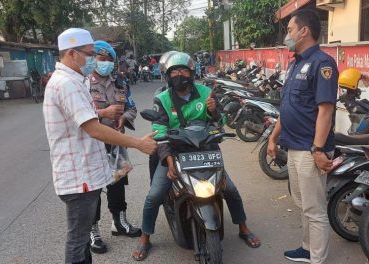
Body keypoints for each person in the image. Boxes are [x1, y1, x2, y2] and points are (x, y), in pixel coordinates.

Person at [132, 51, 261, 261]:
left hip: (205, 151)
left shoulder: (205, 92)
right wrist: (168, 160)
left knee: (231, 190)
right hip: (175, 153)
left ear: (192, 73)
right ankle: (145, 238)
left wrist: (214, 112)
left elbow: (218, 124)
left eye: (184, 70)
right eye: (175, 71)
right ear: (167, 75)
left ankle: (243, 228)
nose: (180, 74)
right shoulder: (163, 99)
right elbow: (160, 132)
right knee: (154, 195)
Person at [43, 28, 157, 264]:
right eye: (91, 54)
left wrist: (122, 118)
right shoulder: (67, 84)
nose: (95, 60)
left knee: (82, 236)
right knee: (78, 239)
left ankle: (119, 221)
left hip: (88, 167)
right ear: (72, 54)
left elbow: (90, 117)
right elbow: (93, 128)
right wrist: (138, 144)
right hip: (78, 175)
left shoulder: (77, 80)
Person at [267, 9, 338, 264]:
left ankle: (317, 259)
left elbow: (326, 111)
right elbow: (288, 107)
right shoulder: (295, 62)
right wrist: (273, 138)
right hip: (293, 146)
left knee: (315, 209)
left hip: (311, 149)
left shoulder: (323, 63)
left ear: (304, 31)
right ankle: (308, 249)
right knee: (303, 204)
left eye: (289, 30)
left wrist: (318, 150)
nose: (288, 35)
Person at [87, 40, 142, 254]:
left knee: (117, 185)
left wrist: (124, 118)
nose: (106, 64)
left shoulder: (120, 82)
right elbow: (76, 114)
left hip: (116, 144)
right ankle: (93, 231)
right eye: (101, 59)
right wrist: (103, 113)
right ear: (93, 60)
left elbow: (132, 108)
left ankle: (119, 223)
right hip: (92, 145)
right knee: (93, 191)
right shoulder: (84, 84)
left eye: (109, 60)